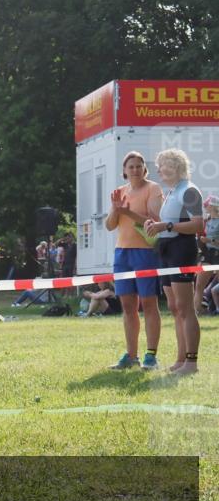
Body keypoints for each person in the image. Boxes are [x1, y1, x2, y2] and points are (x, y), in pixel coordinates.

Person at [143, 149, 204, 376]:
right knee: (175, 308)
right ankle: (181, 359)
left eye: (162, 165)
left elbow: (198, 225)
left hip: (181, 249)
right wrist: (156, 224)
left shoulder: (189, 190)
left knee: (186, 308)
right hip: (167, 250)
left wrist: (166, 226)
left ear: (175, 166)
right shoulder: (172, 191)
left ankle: (191, 361)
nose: (158, 170)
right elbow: (169, 222)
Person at [105, 151, 164, 371]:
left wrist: (128, 213)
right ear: (124, 171)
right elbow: (110, 225)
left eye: (139, 166)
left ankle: (151, 355)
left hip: (145, 252)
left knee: (149, 303)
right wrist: (117, 210)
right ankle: (131, 355)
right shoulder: (120, 192)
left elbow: (155, 222)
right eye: (131, 166)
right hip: (122, 253)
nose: (136, 169)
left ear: (144, 169)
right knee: (128, 306)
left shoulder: (153, 189)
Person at [195, 195, 219, 315]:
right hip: (208, 254)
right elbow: (200, 237)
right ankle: (198, 311)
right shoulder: (207, 221)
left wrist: (210, 241)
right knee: (199, 284)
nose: (205, 205)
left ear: (214, 206)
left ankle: (212, 306)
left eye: (207, 204)